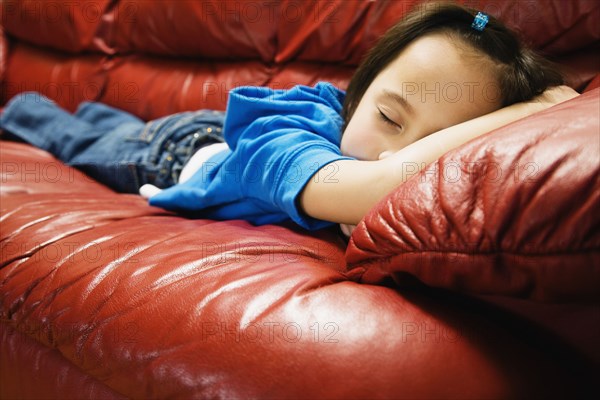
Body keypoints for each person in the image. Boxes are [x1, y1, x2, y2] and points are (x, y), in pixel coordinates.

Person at [0, 3, 577, 236]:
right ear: (359, 88)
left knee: (106, 123)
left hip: (203, 138)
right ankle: (25, 109)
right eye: (389, 118)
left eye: (440, 143)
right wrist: (531, 111)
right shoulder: (295, 133)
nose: (391, 157)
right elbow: (369, 186)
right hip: (180, 152)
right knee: (80, 140)